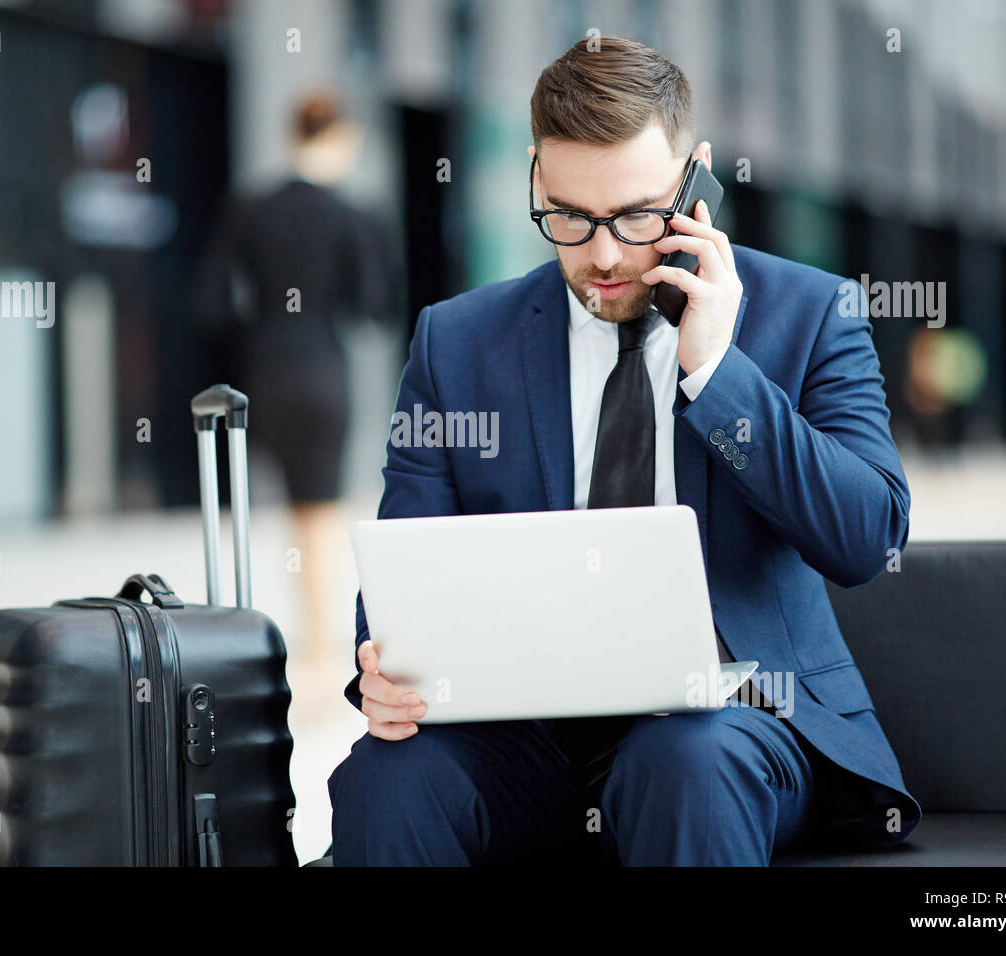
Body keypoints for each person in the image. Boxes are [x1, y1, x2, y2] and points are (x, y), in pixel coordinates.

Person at [326, 37, 920, 865]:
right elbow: (402, 574)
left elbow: (867, 538)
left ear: (697, 178)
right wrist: (382, 670)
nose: (603, 255)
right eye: (569, 215)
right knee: (386, 778)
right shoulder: (454, 343)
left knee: (682, 759)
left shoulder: (811, 313)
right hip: (522, 738)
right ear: (536, 175)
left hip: (734, 727)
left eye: (638, 215)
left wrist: (717, 372)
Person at [195, 92, 400, 670]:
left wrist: (258, 330)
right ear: (341, 138)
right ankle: (317, 646)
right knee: (322, 512)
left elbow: (210, 303)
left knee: (291, 507)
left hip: (267, 372)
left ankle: (301, 640)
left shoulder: (249, 206)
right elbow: (373, 307)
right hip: (324, 372)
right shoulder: (354, 213)